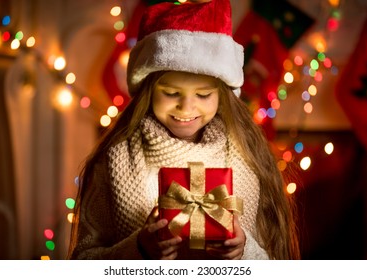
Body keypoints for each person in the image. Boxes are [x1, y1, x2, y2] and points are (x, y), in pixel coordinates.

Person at [67, 0, 300, 260]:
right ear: (148, 90)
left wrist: (244, 251)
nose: (186, 107)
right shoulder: (117, 159)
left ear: (222, 95)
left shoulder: (244, 157)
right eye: (171, 92)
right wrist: (140, 250)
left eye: (203, 94)